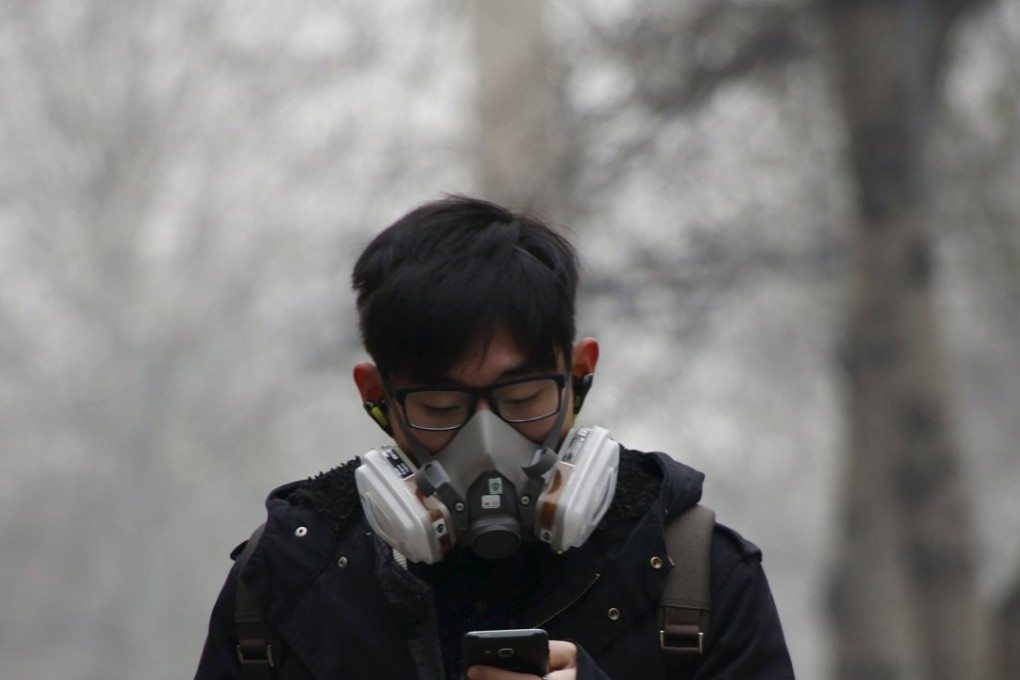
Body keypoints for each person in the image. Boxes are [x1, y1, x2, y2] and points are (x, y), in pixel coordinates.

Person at [195, 196, 795, 679]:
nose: (487, 441)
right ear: (375, 394)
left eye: (523, 399)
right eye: (439, 405)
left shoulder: (694, 577)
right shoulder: (282, 585)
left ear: (579, 372)